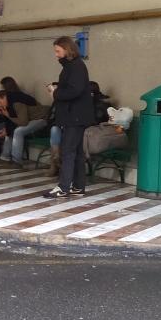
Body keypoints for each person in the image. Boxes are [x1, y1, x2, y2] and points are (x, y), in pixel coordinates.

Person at [42, 35, 95, 199]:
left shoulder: (76, 66)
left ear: (67, 49)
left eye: (58, 51)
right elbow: (72, 87)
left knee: (68, 151)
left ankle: (63, 187)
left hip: (75, 116)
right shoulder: (72, 66)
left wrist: (55, 93)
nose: (56, 54)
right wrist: (57, 88)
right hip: (75, 115)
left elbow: (75, 90)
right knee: (77, 152)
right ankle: (78, 186)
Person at [0, 99, 52, 168]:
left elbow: (23, 122)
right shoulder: (10, 107)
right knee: (11, 130)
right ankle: (5, 157)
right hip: (33, 119)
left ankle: (17, 161)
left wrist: (7, 115)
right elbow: (15, 122)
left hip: (43, 118)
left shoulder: (17, 104)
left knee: (18, 131)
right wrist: (6, 129)